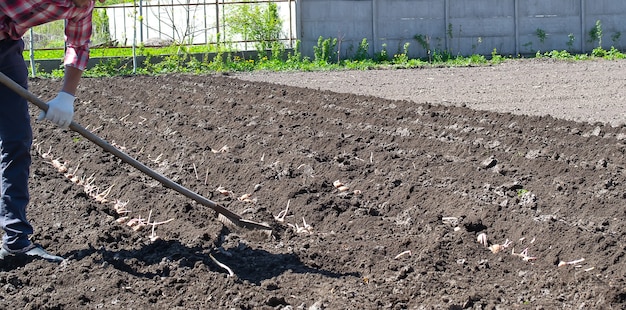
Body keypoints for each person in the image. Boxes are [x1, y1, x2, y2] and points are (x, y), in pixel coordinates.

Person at [0, 0, 104, 263]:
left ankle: (16, 242)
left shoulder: (82, 6)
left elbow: (78, 46)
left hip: (6, 49)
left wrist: (66, 96)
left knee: (16, 141)